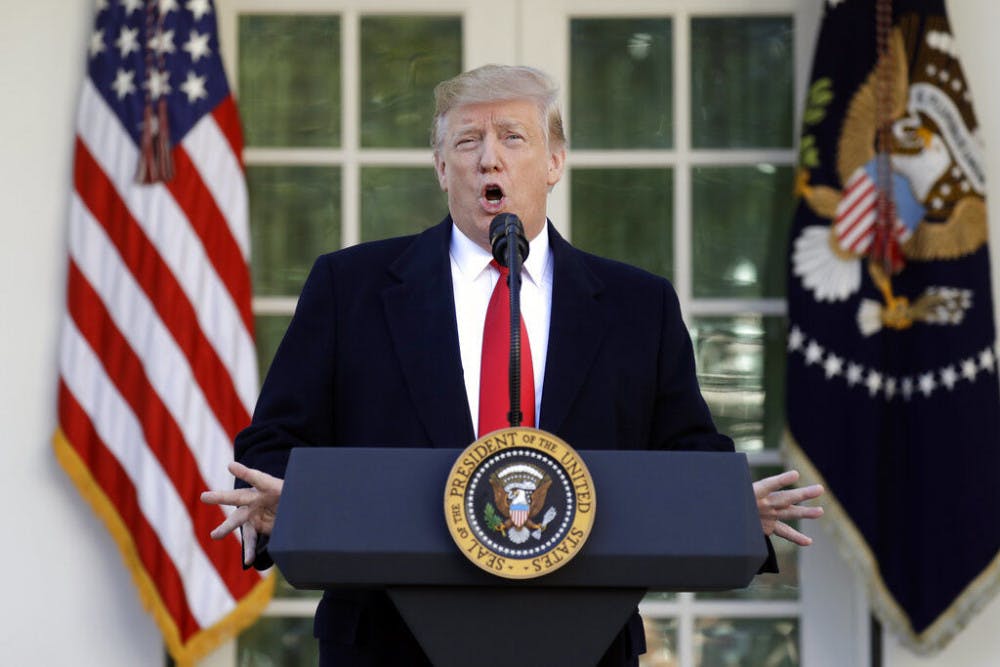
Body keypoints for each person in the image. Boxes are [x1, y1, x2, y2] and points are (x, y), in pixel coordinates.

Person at [201, 64, 824, 666]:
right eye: (467, 141)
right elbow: (274, 444)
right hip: (386, 644)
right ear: (442, 168)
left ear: (554, 163)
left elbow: (684, 450)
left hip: (584, 642)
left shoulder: (638, 305)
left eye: (512, 138)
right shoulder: (350, 287)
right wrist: (297, 498)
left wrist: (728, 506)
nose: (488, 158)